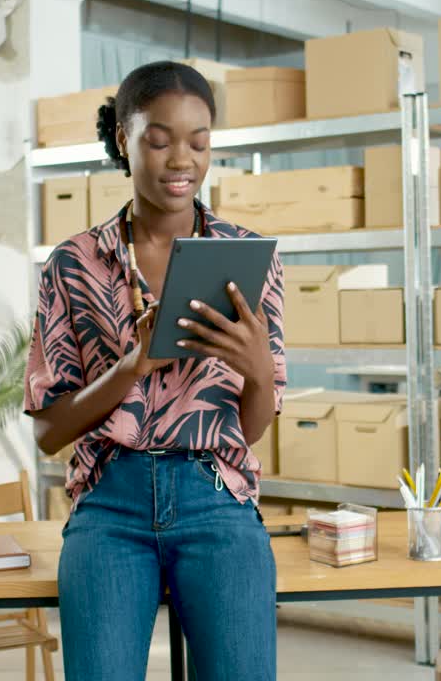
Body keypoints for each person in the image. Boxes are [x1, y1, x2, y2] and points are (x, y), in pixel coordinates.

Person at [24, 61, 286, 680]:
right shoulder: (73, 263)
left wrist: (257, 371)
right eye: (160, 139)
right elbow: (48, 432)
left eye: (199, 141)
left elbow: (249, 430)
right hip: (110, 508)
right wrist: (130, 368)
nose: (182, 160)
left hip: (217, 500)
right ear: (123, 137)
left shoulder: (247, 258)